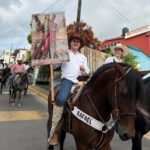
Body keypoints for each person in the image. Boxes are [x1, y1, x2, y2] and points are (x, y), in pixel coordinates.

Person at [48, 32, 90, 145]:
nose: (76, 43)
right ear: (70, 43)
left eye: (78, 41)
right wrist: (57, 61)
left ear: (80, 44)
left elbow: (88, 71)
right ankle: (55, 131)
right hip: (68, 80)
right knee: (61, 99)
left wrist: (83, 69)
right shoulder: (65, 53)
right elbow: (56, 66)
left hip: (81, 81)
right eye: (74, 41)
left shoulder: (83, 57)